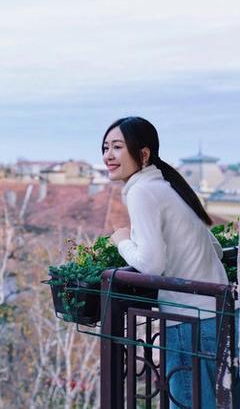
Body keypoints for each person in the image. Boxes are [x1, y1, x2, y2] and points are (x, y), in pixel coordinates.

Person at [102, 116, 228, 408]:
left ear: (143, 154)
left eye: (117, 147)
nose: (108, 155)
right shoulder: (170, 186)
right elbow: (217, 250)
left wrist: (122, 240)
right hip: (220, 315)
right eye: (105, 147)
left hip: (189, 321)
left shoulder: (143, 191)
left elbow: (151, 265)